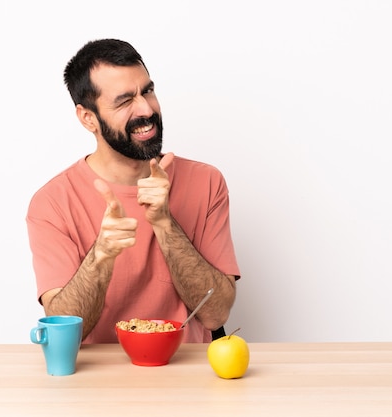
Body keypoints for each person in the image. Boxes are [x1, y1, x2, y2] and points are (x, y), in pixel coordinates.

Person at [26, 39, 240, 344]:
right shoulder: (52, 203)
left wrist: (165, 223)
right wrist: (100, 256)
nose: (146, 109)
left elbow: (216, 314)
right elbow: (63, 335)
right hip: (94, 384)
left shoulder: (206, 182)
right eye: (125, 100)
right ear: (89, 118)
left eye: (148, 91)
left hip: (187, 377)